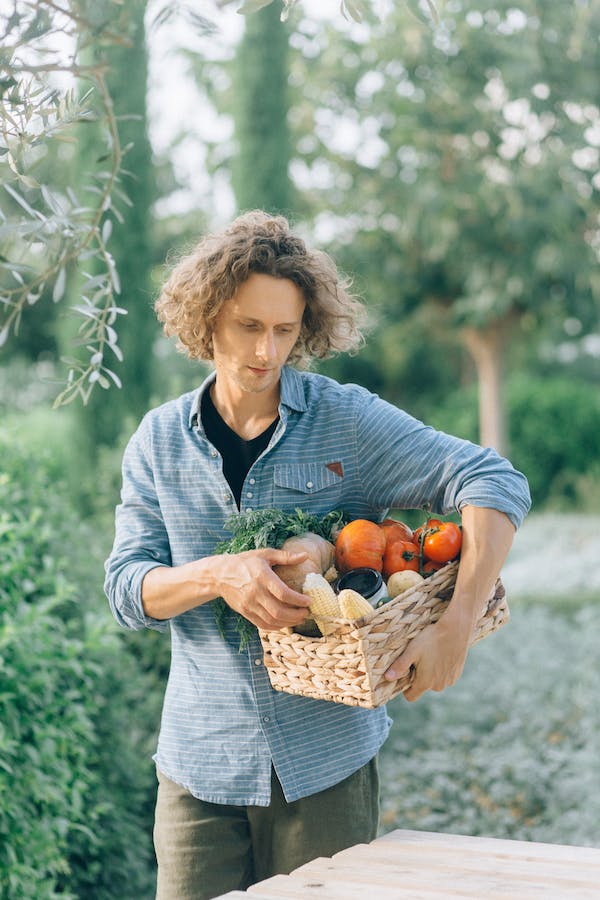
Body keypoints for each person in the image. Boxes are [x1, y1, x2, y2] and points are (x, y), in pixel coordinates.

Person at [104, 210, 531, 900]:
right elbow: (127, 588)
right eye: (248, 326)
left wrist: (454, 628)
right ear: (207, 318)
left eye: (283, 330)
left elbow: (495, 480)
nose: (266, 352)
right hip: (198, 772)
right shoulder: (157, 442)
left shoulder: (346, 420)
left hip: (326, 768)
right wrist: (218, 574)